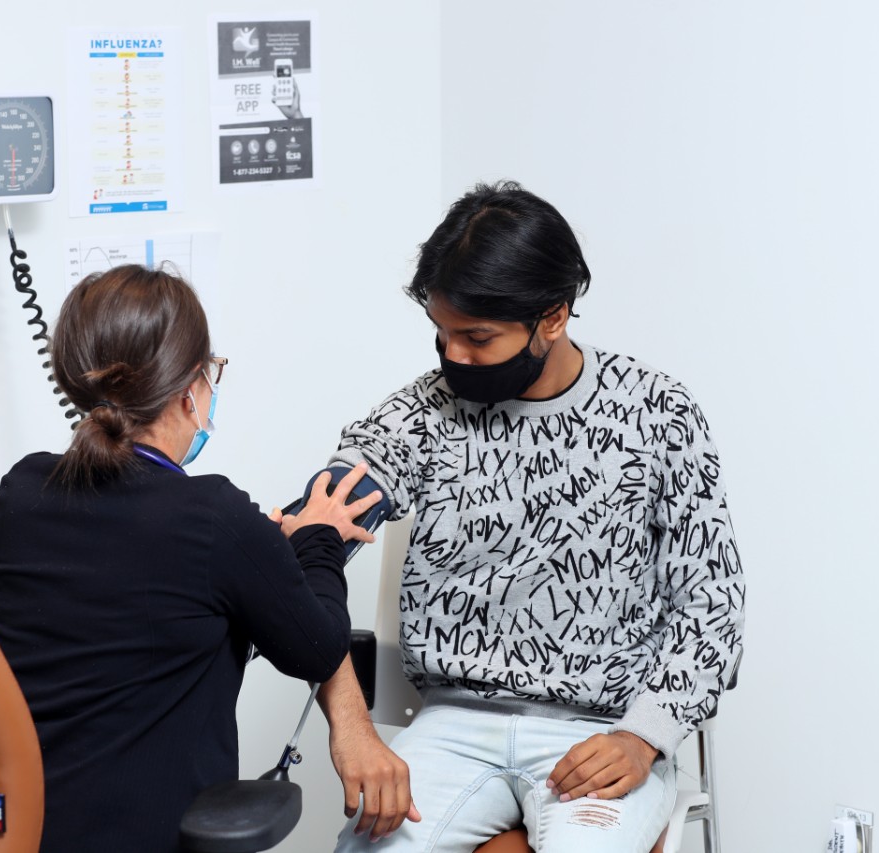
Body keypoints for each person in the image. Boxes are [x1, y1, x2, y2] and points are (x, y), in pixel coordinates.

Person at [318, 182, 746, 853]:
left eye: (477, 337)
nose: (453, 357)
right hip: (454, 724)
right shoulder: (421, 415)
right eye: (441, 335)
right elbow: (308, 541)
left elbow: (713, 603)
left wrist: (643, 736)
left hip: (601, 728)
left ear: (554, 317)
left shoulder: (656, 412)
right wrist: (351, 725)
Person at [0, 264, 383, 853]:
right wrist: (315, 539)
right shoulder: (212, 516)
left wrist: (254, 554)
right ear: (191, 387)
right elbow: (318, 648)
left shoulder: (21, 490)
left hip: (24, 831)